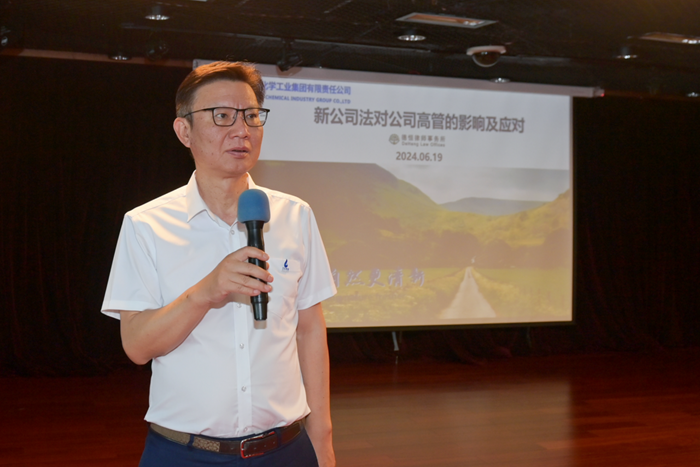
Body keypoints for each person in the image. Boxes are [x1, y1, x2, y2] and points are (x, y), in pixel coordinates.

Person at [101, 61, 337, 467]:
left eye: (251, 116)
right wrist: (205, 293)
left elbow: (310, 329)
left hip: (286, 450)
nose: (242, 130)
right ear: (184, 131)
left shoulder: (295, 216)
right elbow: (137, 346)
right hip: (183, 453)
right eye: (222, 116)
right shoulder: (146, 225)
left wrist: (323, 438)